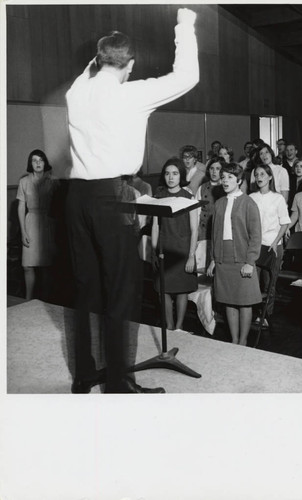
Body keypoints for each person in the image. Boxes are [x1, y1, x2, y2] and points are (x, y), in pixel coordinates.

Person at [65, 8, 199, 393]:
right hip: (113, 197)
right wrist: (185, 25)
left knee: (85, 291)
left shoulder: (78, 91)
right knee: (122, 291)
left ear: (98, 59)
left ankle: (85, 376)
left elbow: (96, 66)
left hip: (76, 197)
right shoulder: (131, 95)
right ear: (131, 65)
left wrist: (104, 53)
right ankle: (119, 386)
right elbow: (188, 76)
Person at [207, 163, 262, 346]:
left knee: (244, 302)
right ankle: (234, 340)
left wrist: (250, 261)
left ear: (239, 180)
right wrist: (214, 260)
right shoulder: (219, 203)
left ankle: (243, 342)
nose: (225, 180)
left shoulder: (248, 203)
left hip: (243, 258)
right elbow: (214, 234)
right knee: (228, 300)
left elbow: (256, 235)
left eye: (230, 177)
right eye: (223, 177)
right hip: (224, 259)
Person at [151, 158, 198, 331]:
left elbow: (194, 229)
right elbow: (155, 226)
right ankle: (169, 325)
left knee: (181, 290)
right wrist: (155, 250)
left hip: (183, 249)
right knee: (164, 290)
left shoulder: (188, 197)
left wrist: (191, 255)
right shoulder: (159, 197)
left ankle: (179, 326)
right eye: (167, 173)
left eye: (175, 173)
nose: (171, 177)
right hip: (165, 248)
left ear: (181, 175)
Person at [17, 149, 58, 300]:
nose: (38, 163)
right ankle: (28, 299)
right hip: (30, 222)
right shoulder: (24, 182)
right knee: (27, 265)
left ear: (45, 162)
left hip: (48, 223)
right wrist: (23, 232)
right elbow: (21, 206)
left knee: (47, 266)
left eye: (41, 160)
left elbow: (59, 205)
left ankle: (47, 301)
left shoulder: (53, 181)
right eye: (34, 160)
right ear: (30, 163)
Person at [250, 164, 290, 317]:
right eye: (257, 174)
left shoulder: (278, 198)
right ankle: (254, 313)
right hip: (255, 245)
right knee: (254, 282)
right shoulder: (251, 197)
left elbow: (285, 222)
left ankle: (266, 315)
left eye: (262, 174)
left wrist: (275, 242)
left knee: (269, 284)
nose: (259, 177)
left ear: (270, 177)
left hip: (272, 246)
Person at [195, 156, 225, 269]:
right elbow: (196, 212)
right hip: (203, 232)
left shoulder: (225, 188)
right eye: (212, 168)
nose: (214, 171)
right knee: (202, 265)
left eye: (218, 168)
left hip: (220, 234)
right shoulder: (202, 188)